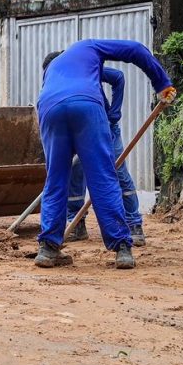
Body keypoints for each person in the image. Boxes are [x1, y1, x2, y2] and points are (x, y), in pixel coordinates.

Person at [35, 40, 175, 270]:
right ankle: (121, 248)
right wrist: (162, 83)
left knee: (56, 178)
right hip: (87, 106)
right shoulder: (89, 47)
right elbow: (136, 50)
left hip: (50, 108)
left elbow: (65, 93)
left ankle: (48, 248)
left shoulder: (53, 68)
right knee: (103, 176)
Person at [64, 67, 146, 246]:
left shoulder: (85, 68)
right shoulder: (57, 80)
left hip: (105, 126)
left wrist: (114, 115)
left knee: (118, 171)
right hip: (77, 129)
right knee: (74, 174)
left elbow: (118, 77)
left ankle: (134, 225)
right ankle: (76, 224)